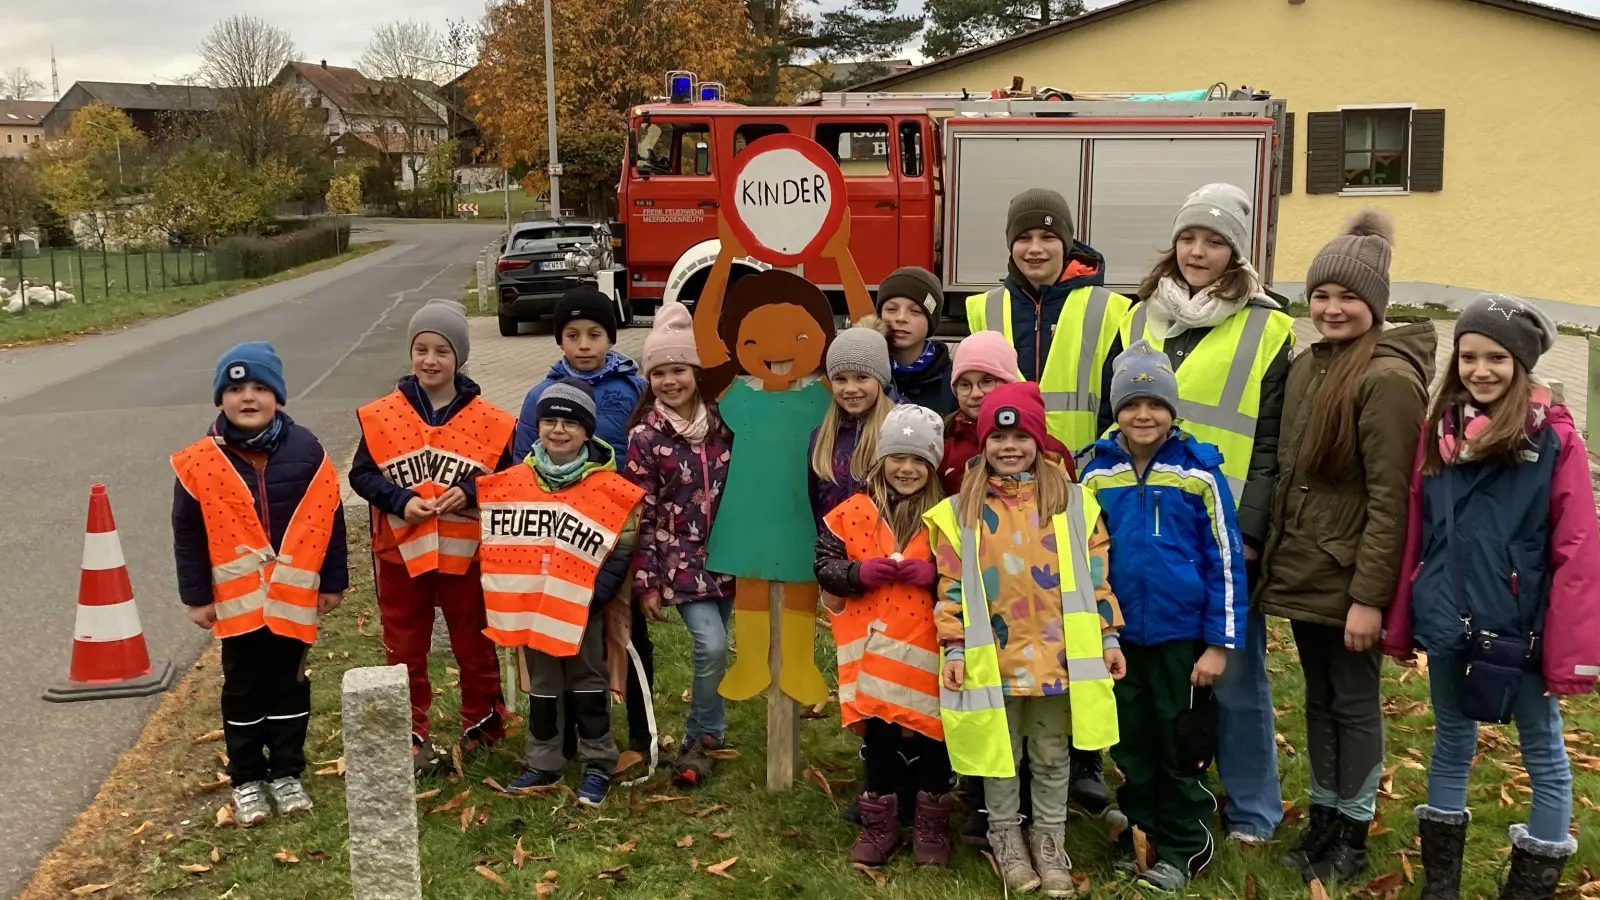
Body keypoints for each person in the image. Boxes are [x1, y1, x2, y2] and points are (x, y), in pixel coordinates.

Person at [1385, 295, 1597, 900]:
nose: (1481, 370)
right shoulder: (1440, 435)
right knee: (1451, 739)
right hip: (1449, 616)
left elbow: (1576, 546)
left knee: (1543, 751)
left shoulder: (1553, 442)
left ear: (1521, 364)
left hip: (1518, 625)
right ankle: (1441, 885)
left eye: (1497, 358)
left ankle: (1528, 886)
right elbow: (1415, 529)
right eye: (1470, 356)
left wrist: (1568, 647)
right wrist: (1407, 615)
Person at [1115, 183, 1297, 843]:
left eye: (1214, 241)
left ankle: (1253, 810)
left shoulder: (1269, 326)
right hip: (1149, 534)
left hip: (1222, 537)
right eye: (1190, 237)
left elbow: (1274, 442)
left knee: (1237, 677)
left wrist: (1250, 532)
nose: (1198, 251)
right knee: (1161, 677)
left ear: (1236, 254)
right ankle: (1165, 794)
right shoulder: (1136, 317)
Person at [1257, 211, 1432, 883]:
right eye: (1322, 295)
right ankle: (1324, 816)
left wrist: (1369, 598)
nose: (1331, 308)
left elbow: (1393, 499)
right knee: (1319, 697)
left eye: (1347, 297)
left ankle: (1353, 829)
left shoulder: (1387, 380)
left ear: (1375, 305)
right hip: (1305, 566)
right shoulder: (1310, 367)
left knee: (1354, 702)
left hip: (1349, 575)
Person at [927, 381, 1124, 897]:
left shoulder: (1075, 504)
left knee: (1052, 753)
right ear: (984, 442)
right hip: (994, 657)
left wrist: (1108, 639)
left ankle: (1050, 839)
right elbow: (950, 587)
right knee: (1001, 752)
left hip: (1058, 657)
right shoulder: (960, 511)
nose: (1008, 447)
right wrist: (952, 646)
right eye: (997, 437)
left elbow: (1097, 578)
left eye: (1020, 437)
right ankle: (1006, 837)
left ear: (1039, 441)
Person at [967, 188, 1130, 808]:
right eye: (1024, 237)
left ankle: (1082, 759)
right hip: (1003, 491)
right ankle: (1006, 764)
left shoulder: (1107, 309)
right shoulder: (985, 306)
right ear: (1010, 244)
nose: (1035, 248)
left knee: (1078, 626)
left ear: (1068, 243)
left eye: (1047, 237)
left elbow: (1120, 406)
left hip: (1076, 493)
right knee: (1010, 619)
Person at [1079, 341, 1249, 892]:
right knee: (1132, 742)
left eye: (1155, 402)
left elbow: (1225, 560)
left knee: (1180, 744)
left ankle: (1185, 843)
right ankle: (1144, 835)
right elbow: (1083, 555)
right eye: (1131, 404)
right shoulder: (1096, 474)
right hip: (1122, 636)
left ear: (1172, 410)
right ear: (1117, 410)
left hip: (1183, 639)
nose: (1143, 414)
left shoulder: (1198, 473)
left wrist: (1219, 644)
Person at [696, 210, 875, 708]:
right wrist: (725, 256)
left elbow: (866, 334)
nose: (777, 349)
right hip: (752, 503)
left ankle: (797, 664)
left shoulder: (824, 393)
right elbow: (704, 332)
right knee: (751, 576)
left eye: (799, 338)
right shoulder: (738, 395)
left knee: (800, 576)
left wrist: (842, 257)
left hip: (802, 502)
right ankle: (752, 660)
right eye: (753, 340)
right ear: (738, 346)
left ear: (820, 342)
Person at [172, 341, 347, 826]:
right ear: (219, 400)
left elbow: (329, 518)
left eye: (259, 388)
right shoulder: (199, 462)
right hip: (237, 605)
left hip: (293, 600)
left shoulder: (308, 451)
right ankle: (247, 778)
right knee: (243, 688)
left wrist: (332, 581)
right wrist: (196, 596)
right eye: (234, 388)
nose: (247, 397)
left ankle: (287, 773)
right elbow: (188, 535)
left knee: (289, 686)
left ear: (279, 397)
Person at [350, 300, 515, 774]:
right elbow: (362, 475)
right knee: (404, 644)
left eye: (441, 350)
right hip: (400, 553)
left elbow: (507, 478)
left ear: (458, 357)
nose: (429, 359)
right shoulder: (382, 415)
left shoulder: (492, 419)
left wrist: (468, 491)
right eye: (420, 348)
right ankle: (411, 732)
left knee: (474, 640)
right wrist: (400, 501)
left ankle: (483, 723)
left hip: (467, 554)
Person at [481, 378, 643, 807]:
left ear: (587, 431)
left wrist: (594, 598)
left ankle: (597, 762)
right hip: (533, 609)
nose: (558, 430)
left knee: (589, 682)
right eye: (549, 420)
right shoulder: (514, 482)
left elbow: (622, 548)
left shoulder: (608, 487)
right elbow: (499, 544)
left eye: (570, 423)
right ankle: (543, 760)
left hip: (585, 607)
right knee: (544, 685)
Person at [512, 287, 655, 760]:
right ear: (560, 341)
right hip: (559, 533)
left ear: (611, 337)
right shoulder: (540, 396)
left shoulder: (633, 389)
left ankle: (639, 729)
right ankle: (567, 737)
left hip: (616, 527)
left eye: (595, 334)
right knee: (560, 630)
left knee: (624, 628)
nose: (584, 344)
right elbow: (520, 470)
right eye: (572, 335)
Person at [815, 405, 953, 867]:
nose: (907, 469)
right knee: (880, 739)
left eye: (919, 460)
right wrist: (856, 572)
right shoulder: (853, 513)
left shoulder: (946, 517)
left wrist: (934, 574)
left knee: (934, 737)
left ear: (932, 466)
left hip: (927, 654)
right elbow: (824, 565)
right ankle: (880, 824)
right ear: (880, 460)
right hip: (872, 657)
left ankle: (932, 821)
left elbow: (969, 573)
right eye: (898, 457)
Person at [622, 300, 736, 788]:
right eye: (660, 373)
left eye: (680, 370)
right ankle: (701, 730)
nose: (671, 381)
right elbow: (641, 514)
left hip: (731, 552)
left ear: (696, 372)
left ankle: (711, 729)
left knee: (722, 642)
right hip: (680, 559)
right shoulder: (645, 438)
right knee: (710, 645)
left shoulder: (727, 424)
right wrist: (646, 582)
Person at [809, 318, 897, 530]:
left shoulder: (898, 431)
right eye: (840, 379)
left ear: (881, 378)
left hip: (885, 554)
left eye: (861, 377)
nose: (850, 388)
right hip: (834, 555)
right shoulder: (821, 438)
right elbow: (815, 501)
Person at [940, 331, 1022, 496]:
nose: (975, 393)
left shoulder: (1038, 445)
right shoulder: (943, 445)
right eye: (965, 385)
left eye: (987, 382)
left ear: (1009, 383)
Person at [877, 266, 956, 415]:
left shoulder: (952, 382)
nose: (900, 318)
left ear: (931, 321)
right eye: (891, 309)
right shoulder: (866, 373)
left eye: (915, 311)